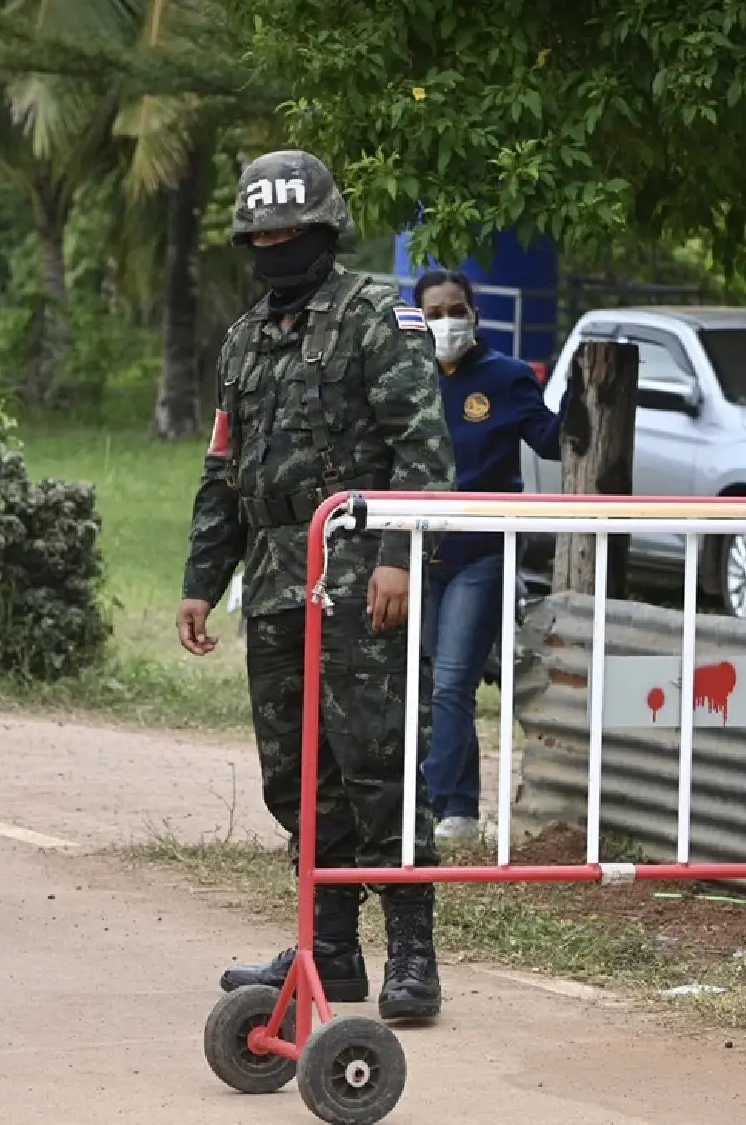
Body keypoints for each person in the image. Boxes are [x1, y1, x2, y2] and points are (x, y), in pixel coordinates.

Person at [179, 150, 455, 1022]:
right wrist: (199, 579)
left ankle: (413, 948)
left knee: (376, 759)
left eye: (289, 233)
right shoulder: (244, 338)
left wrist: (400, 555)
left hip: (363, 571)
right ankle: (327, 946)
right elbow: (224, 469)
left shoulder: (378, 315)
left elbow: (423, 449)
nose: (273, 247)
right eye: (259, 236)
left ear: (325, 229)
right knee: (297, 774)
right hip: (272, 578)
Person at [413, 270, 561, 840]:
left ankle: (456, 812)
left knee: (453, 682)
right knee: (423, 681)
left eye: (456, 310)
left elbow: (548, 439)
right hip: (418, 553)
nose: (446, 322)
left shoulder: (506, 377)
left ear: (474, 313)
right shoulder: (408, 379)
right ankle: (429, 800)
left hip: (481, 555)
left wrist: (578, 391)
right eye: (433, 313)